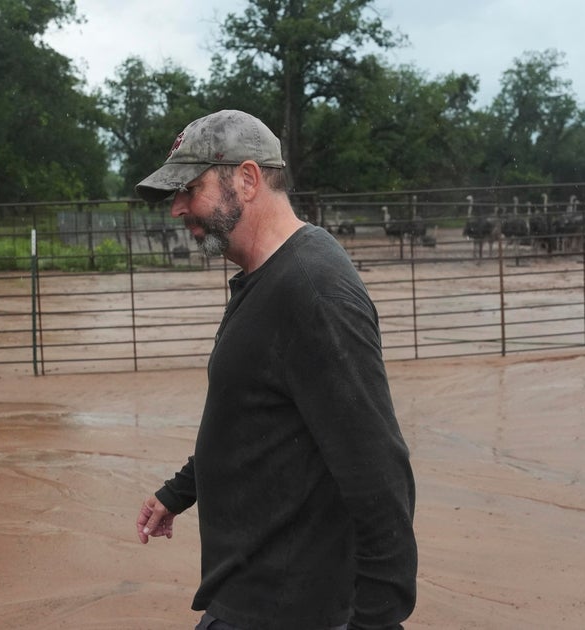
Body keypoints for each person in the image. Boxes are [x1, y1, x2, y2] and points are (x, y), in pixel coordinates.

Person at [134, 109, 418, 630]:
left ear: (246, 180)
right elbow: (252, 416)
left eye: (188, 190)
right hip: (248, 595)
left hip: (289, 610)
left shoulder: (312, 290)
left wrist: (376, 621)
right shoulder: (266, 276)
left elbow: (380, 473)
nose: (176, 209)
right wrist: (180, 491)